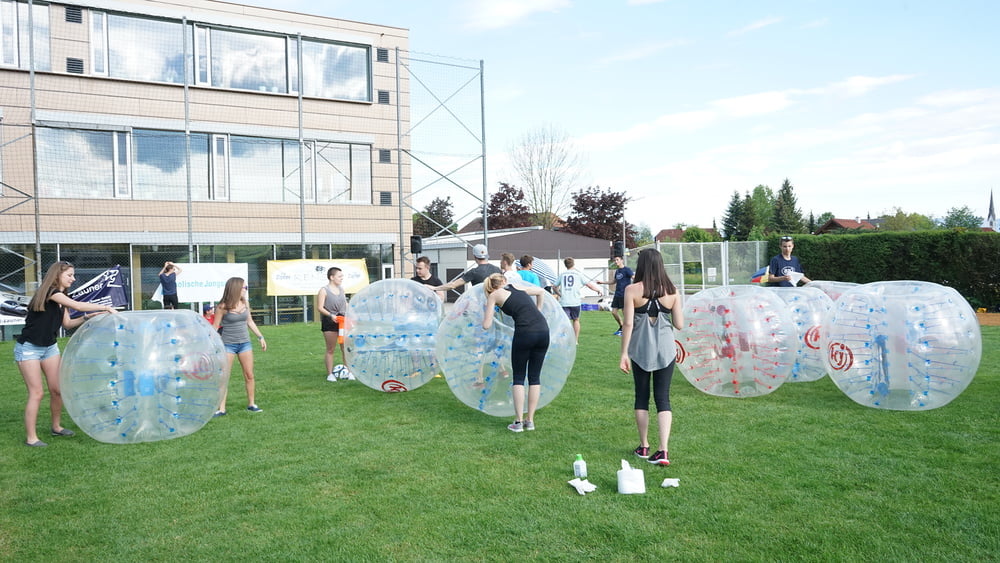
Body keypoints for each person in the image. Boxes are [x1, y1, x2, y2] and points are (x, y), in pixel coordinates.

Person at [15, 261, 119, 447]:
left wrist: (88, 317)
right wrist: (105, 307)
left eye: (73, 275)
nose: (73, 278)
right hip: (29, 348)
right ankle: (31, 438)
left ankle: (56, 427)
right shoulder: (51, 293)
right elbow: (77, 305)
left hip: (49, 347)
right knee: (37, 393)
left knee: (57, 390)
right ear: (57, 276)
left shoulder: (62, 298)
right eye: (69, 275)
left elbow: (68, 324)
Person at [619, 248, 684, 466]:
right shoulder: (673, 291)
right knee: (663, 398)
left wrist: (623, 354)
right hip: (666, 350)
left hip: (640, 350)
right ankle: (663, 450)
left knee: (641, 397)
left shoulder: (632, 290)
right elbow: (679, 324)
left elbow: (628, 324)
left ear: (642, 265)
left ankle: (644, 445)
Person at [482, 273, 550, 433]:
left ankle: (518, 422)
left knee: (519, 377)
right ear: (504, 281)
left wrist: (486, 313)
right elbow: (541, 291)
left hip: (525, 332)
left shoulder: (493, 296)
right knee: (534, 377)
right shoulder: (516, 287)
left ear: (491, 287)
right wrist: (538, 311)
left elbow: (486, 325)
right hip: (543, 330)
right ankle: (530, 421)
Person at [212, 277, 266, 415]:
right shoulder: (222, 307)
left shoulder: (245, 303)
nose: (246, 290)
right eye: (244, 287)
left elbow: (250, 321)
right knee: (224, 376)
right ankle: (221, 409)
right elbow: (215, 327)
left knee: (249, 375)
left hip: (245, 344)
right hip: (228, 345)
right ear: (235, 288)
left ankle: (251, 404)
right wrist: (211, 343)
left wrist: (260, 337)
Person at [316, 266, 353, 382]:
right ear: (332, 277)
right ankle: (330, 374)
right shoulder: (324, 290)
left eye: (342, 276)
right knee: (330, 349)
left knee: (345, 348)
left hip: (343, 321)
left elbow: (345, 304)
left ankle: (349, 372)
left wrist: (352, 312)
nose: (342, 278)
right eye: (339, 276)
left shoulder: (341, 289)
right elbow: (320, 308)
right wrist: (331, 315)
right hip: (330, 321)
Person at [553, 257, 602, 342]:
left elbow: (554, 287)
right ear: (573, 264)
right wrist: (598, 290)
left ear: (565, 265)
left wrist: (559, 294)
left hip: (564, 301)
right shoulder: (578, 274)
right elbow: (589, 285)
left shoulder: (562, 274)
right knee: (576, 320)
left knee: (565, 321)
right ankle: (575, 340)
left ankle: (564, 339)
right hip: (575, 301)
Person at [433, 244, 502, 295]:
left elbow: (453, 285)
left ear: (474, 256)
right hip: (497, 304)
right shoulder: (497, 270)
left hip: (481, 304)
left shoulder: (474, 272)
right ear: (486, 255)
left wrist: (435, 288)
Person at [598, 254, 634, 336]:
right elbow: (613, 281)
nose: (616, 261)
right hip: (617, 294)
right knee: (614, 312)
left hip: (624, 295)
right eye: (615, 260)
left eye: (617, 260)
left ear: (622, 260)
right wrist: (602, 282)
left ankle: (628, 329)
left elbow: (633, 277)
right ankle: (621, 326)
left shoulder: (627, 270)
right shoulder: (617, 271)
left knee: (625, 313)